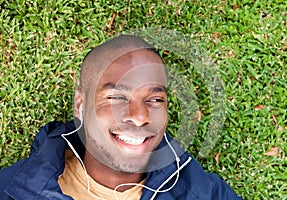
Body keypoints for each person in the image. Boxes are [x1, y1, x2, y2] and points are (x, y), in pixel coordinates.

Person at [0, 35, 242, 200]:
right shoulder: (9, 190)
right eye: (117, 98)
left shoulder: (207, 193)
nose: (139, 117)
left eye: (155, 100)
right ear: (80, 106)